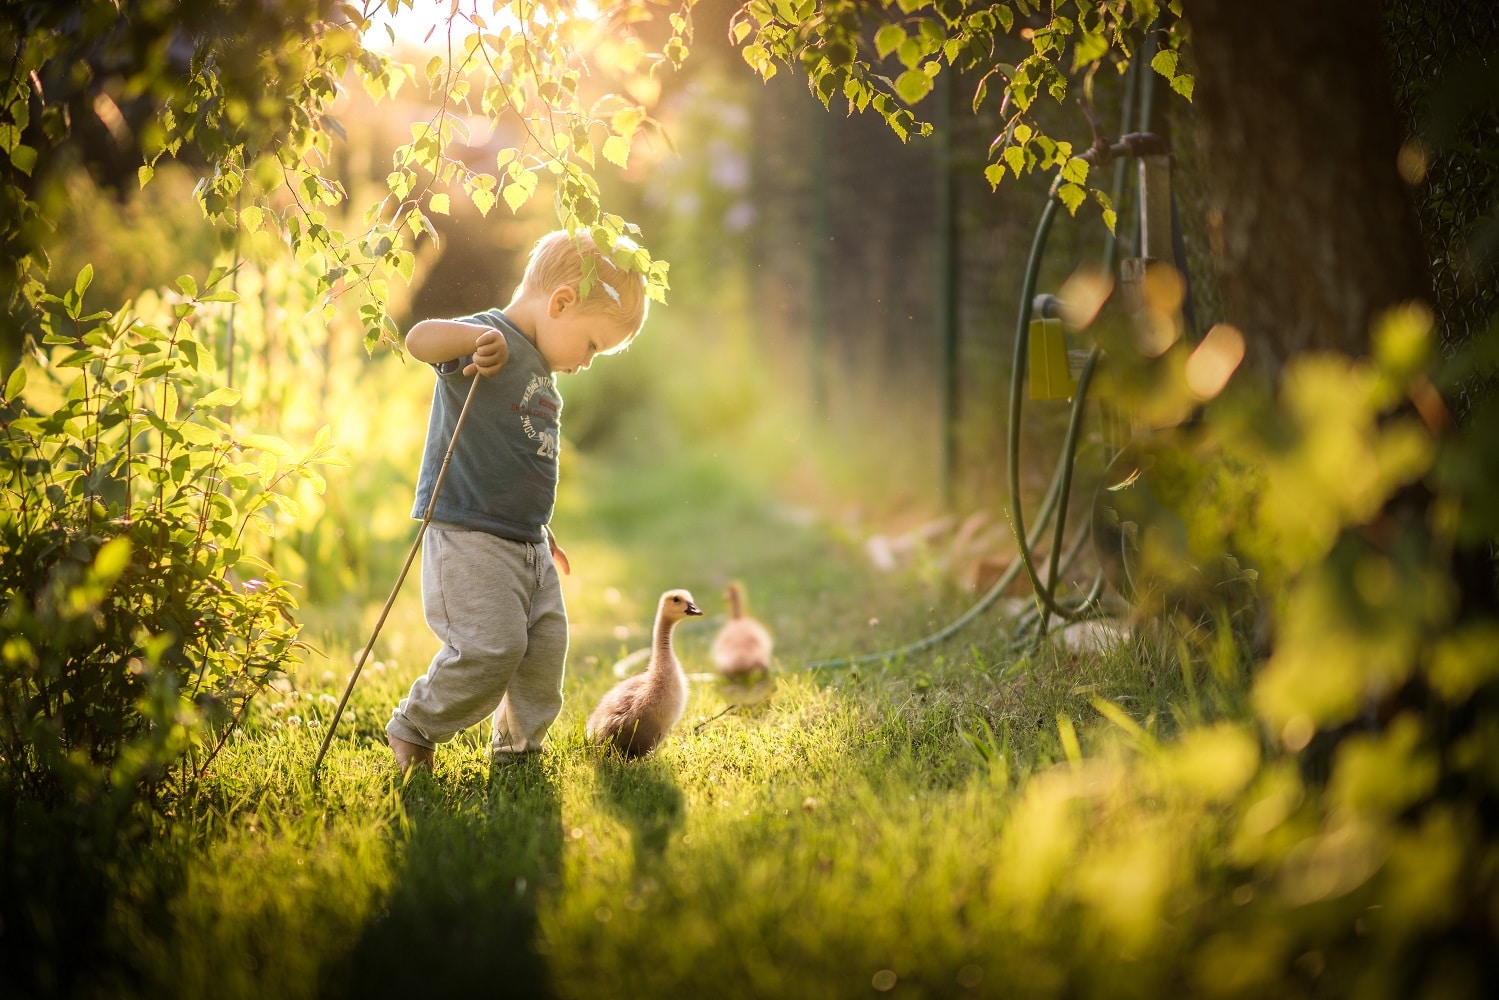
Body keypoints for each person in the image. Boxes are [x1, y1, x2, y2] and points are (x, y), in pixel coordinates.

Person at [385, 230, 648, 772]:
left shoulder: (543, 372)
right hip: (470, 534)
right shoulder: (488, 336)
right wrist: (469, 340)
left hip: (525, 541)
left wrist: (540, 526)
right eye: (594, 345)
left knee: (544, 651)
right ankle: (416, 726)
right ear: (561, 303)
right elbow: (418, 339)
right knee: (491, 649)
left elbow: (521, 457)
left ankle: (519, 749)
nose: (589, 362)